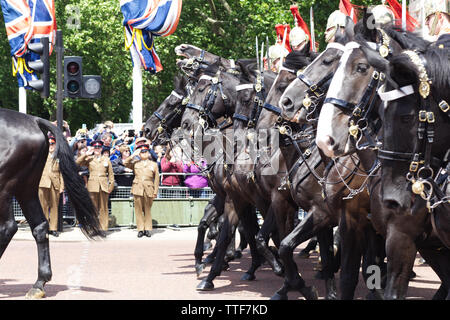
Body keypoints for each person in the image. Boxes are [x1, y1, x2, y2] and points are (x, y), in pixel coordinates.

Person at [76, 140, 115, 232]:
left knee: (103, 208)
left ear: (101, 149)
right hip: (93, 186)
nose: (97, 149)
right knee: (93, 208)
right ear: (93, 148)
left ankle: (103, 229)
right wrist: (86, 154)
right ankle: (94, 228)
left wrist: (111, 186)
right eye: (95, 148)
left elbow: (111, 175)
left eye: (99, 148)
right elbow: (77, 162)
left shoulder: (106, 159)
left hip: (103, 186)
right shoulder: (90, 159)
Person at [124, 144, 159, 238]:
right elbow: (125, 163)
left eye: (146, 151)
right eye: (142, 152)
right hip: (137, 188)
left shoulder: (154, 164)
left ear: (148, 153)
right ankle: (140, 229)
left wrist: (155, 191)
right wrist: (132, 155)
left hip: (149, 188)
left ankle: (147, 229)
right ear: (139, 154)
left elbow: (156, 179)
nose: (144, 153)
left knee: (147, 209)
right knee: (138, 210)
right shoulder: (136, 163)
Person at [38, 135, 64, 237]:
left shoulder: (58, 157)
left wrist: (62, 186)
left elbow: (62, 173)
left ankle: (53, 228)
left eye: (52, 144)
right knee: (43, 207)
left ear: (55, 145)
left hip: (55, 184)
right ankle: (44, 228)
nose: (51, 146)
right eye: (49, 144)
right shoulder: (41, 156)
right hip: (43, 183)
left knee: (54, 207)